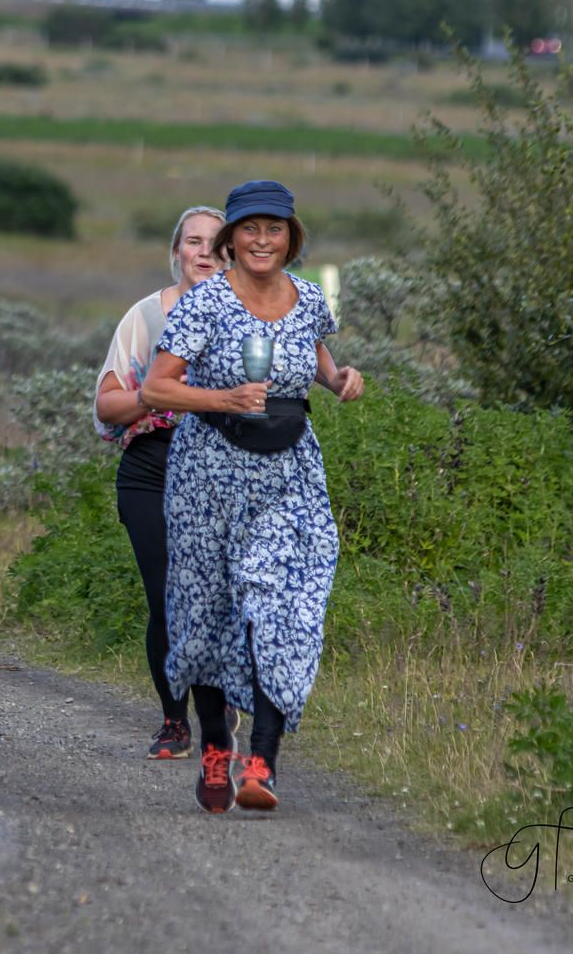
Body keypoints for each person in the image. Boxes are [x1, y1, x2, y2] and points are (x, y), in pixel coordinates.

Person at [142, 180, 363, 813]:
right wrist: (222, 399)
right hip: (208, 475)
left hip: (289, 472)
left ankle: (260, 762)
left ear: (291, 237)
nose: (262, 240)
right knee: (207, 614)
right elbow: (158, 390)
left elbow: (316, 353)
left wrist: (339, 377)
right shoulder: (204, 304)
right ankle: (216, 749)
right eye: (250, 229)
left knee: (287, 604)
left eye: (275, 229)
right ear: (230, 239)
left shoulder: (311, 299)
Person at [94, 206, 227, 759]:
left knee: (218, 601)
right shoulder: (146, 317)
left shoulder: (252, 320)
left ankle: (220, 713)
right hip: (152, 466)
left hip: (225, 471)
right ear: (176, 251)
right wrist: (152, 394)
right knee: (169, 597)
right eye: (192, 242)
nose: (203, 252)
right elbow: (106, 405)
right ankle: (176, 720)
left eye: (216, 244)